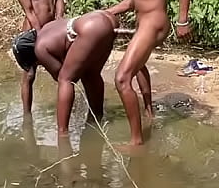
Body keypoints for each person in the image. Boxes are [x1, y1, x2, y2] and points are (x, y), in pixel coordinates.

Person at [101, 0, 192, 146]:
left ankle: (136, 142)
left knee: (122, 78)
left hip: (155, 22)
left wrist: (183, 20)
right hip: (144, 22)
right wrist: (108, 11)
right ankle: (149, 112)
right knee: (138, 65)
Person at [10, 10, 147, 139]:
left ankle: (62, 133)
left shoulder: (40, 48)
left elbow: (62, 76)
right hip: (104, 19)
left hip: (91, 28)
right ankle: (96, 118)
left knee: (65, 79)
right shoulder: (47, 28)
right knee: (91, 74)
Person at [10, 0, 63, 113]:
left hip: (53, 25)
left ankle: (71, 105)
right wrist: (41, 34)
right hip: (34, 29)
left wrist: (59, 20)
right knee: (30, 74)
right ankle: (27, 118)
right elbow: (29, 11)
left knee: (64, 70)